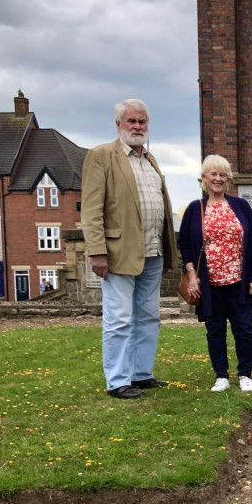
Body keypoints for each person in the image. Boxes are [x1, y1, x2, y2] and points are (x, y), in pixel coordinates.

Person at [81, 99, 176, 399]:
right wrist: (97, 251)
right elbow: (92, 209)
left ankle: (141, 373)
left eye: (142, 122)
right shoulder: (101, 156)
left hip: (152, 252)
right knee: (119, 318)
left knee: (148, 317)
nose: (138, 127)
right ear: (118, 124)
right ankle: (118, 380)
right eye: (132, 122)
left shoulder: (150, 159)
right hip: (118, 253)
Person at [179, 154, 252, 392]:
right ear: (204, 178)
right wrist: (193, 275)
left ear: (229, 179)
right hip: (210, 283)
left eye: (222, 174)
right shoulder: (195, 209)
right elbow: (185, 244)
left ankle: (245, 374)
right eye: (213, 174)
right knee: (215, 330)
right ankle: (221, 376)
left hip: (239, 281)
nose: (218, 179)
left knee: (244, 329)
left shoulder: (241, 206)